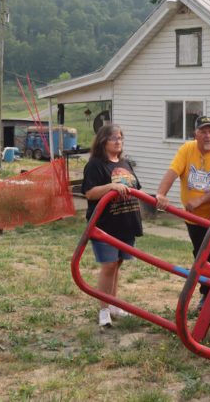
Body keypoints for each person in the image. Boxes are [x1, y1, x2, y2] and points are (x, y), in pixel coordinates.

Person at [156, 115, 210, 293]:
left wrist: (201, 199)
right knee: (202, 255)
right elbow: (172, 172)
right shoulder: (187, 149)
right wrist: (161, 194)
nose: (207, 135)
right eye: (203, 131)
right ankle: (206, 294)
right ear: (195, 134)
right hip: (194, 215)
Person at [81, 124, 143, 327]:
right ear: (103, 141)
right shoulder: (95, 165)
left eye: (120, 138)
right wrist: (111, 186)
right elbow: (89, 193)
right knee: (108, 266)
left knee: (117, 265)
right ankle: (104, 310)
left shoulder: (125, 163)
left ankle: (114, 304)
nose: (118, 141)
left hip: (126, 222)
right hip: (105, 224)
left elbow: (136, 188)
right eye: (113, 138)